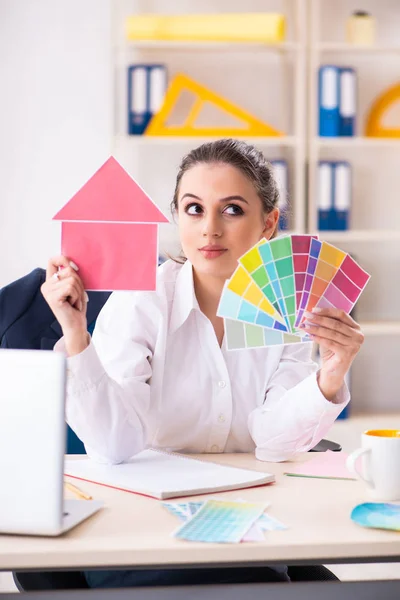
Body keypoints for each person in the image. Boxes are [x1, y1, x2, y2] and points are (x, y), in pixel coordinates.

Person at [41, 139, 364, 588]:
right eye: (193, 209)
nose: (209, 229)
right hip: (143, 529)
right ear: (176, 215)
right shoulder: (142, 301)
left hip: (243, 526)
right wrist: (77, 337)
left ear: (268, 222)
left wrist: (331, 372)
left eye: (232, 210)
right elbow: (115, 445)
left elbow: (272, 440)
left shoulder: (285, 312)